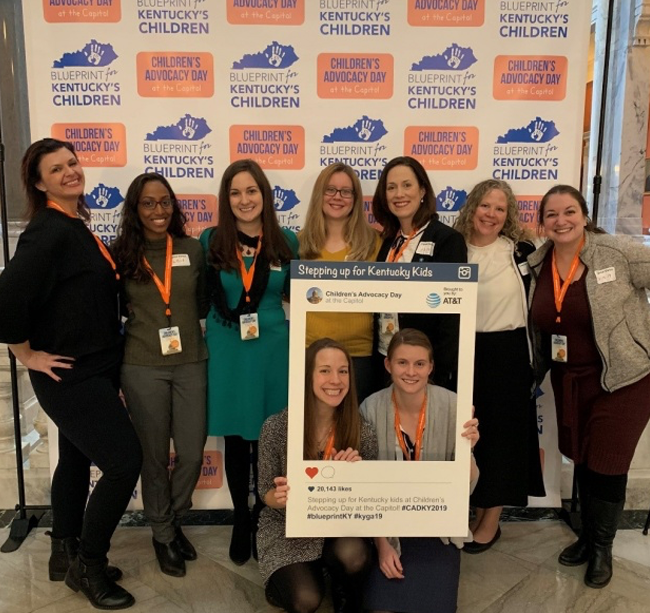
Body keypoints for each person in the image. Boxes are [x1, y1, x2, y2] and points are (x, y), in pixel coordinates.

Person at [0, 138, 142, 610]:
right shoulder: (48, 231)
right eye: (56, 169)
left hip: (94, 365)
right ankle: (89, 565)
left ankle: (64, 551)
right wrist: (25, 353)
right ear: (39, 183)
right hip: (71, 373)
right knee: (124, 463)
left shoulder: (73, 223)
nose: (70, 172)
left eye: (73, 163)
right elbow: (9, 296)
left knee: (77, 460)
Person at [529, 184, 650, 588]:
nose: (561, 221)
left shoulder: (615, 251)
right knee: (581, 457)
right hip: (570, 380)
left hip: (623, 379)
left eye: (569, 212)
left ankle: (602, 547)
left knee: (607, 462)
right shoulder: (536, 263)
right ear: (542, 222)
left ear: (584, 215)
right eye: (552, 215)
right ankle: (585, 536)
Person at [200, 159, 298, 565]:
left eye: (251, 191)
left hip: (273, 347)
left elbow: (299, 293)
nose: (244, 200)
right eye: (235, 193)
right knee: (238, 439)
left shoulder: (287, 240)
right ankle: (242, 518)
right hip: (228, 348)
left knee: (271, 435)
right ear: (227, 199)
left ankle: (264, 513)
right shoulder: (210, 240)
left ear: (264, 195)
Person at [112, 173, 208, 578]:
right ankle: (163, 533)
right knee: (153, 457)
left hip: (190, 363)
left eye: (165, 202)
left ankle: (173, 517)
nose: (158, 211)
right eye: (148, 203)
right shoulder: (121, 254)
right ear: (135, 209)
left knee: (190, 452)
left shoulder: (191, 249)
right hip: (142, 365)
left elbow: (205, 300)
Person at [453, 179, 545, 553]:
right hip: (462, 351)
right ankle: (462, 509)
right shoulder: (452, 248)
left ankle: (490, 519)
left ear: (508, 215)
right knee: (465, 434)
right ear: (472, 207)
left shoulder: (521, 250)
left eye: (500, 208)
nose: (491, 214)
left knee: (503, 438)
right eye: (485, 206)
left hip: (507, 352)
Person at [360, 329, 479, 613]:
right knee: (381, 608)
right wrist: (381, 545)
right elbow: (366, 486)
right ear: (388, 365)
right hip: (388, 524)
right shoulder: (370, 408)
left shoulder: (454, 406)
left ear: (431, 367)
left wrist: (469, 451)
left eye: (419, 364)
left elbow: (466, 486)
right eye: (402, 363)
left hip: (435, 524)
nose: (411, 372)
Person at [257, 338, 378, 613]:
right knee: (305, 600)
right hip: (287, 527)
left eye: (343, 371)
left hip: (339, 525)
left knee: (354, 556)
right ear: (307, 374)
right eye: (324, 370)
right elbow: (265, 492)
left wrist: (353, 477)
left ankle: (344, 587)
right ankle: (292, 579)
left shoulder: (363, 431)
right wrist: (278, 497)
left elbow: (367, 504)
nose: (335, 380)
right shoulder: (277, 427)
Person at [372, 156, 467, 391]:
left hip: (424, 369)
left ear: (422, 190)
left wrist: (439, 371)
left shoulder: (447, 240)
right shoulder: (387, 242)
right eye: (391, 188)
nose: (399, 194)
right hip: (386, 360)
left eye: (407, 185)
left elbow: (452, 314)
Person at [300, 162, 381, 401]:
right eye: (330, 189)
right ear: (319, 195)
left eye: (346, 191)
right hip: (312, 354)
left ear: (355, 198)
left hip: (360, 356)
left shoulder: (375, 243)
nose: (338, 197)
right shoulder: (299, 245)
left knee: (357, 433)